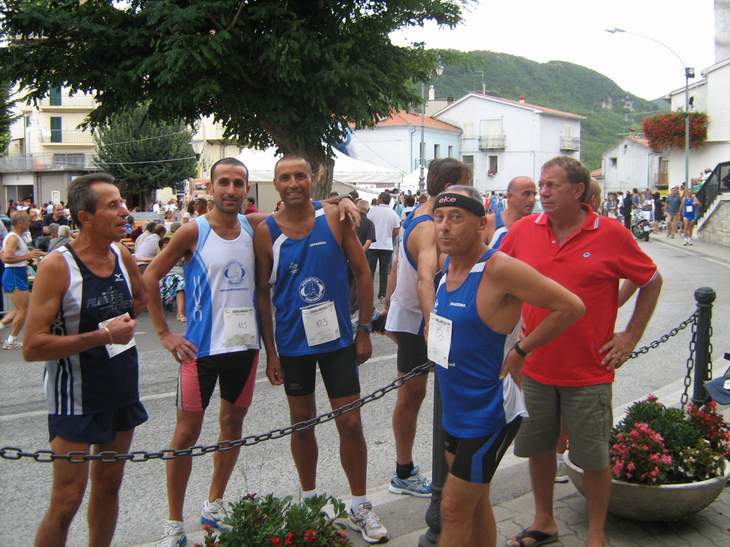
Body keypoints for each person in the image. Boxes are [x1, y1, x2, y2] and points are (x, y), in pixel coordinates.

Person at [502, 156, 662, 547]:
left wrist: (629, 335)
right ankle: (544, 521)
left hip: (589, 369)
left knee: (592, 456)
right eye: (541, 184)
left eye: (552, 185)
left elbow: (651, 279)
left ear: (578, 191)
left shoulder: (610, 233)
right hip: (535, 368)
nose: (543, 192)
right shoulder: (523, 231)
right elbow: (497, 277)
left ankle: (594, 535)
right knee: (538, 449)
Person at [429, 186, 584, 547]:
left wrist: (521, 349)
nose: (444, 227)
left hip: (490, 410)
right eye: (439, 218)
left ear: (481, 223)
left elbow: (570, 306)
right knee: (477, 500)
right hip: (456, 410)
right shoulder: (448, 268)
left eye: (456, 217)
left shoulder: (499, 268)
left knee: (452, 509)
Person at [254, 154, 389, 544]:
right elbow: (263, 295)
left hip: (337, 341)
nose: (293, 183)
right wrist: (271, 352)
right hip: (294, 345)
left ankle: (360, 503)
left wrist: (363, 329)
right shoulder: (266, 232)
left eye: (300, 175)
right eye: (285, 177)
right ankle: (310, 501)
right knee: (303, 424)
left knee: (350, 422)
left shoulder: (333, 218)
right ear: (276, 184)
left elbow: (364, 272)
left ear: (312, 179)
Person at [22, 173, 147, 547]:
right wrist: (102, 336)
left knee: (109, 488)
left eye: (122, 202)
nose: (124, 210)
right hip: (75, 396)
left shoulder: (122, 254)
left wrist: (122, 324)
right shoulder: (58, 266)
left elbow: (140, 296)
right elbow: (32, 346)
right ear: (85, 216)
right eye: (113, 205)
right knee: (67, 500)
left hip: (121, 386)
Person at [145, 158, 264, 547]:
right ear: (211, 188)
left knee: (232, 427)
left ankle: (214, 506)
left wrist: (341, 205)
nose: (231, 190)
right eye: (224, 182)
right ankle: (173, 524)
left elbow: (305, 208)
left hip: (244, 349)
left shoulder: (253, 226)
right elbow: (150, 276)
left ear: (246, 189)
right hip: (199, 351)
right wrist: (164, 334)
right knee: (185, 435)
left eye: (238, 183)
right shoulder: (193, 230)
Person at [382, 158, 470, 499]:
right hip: (420, 321)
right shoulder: (427, 227)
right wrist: (432, 324)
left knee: (421, 395)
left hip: (413, 317)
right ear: (449, 187)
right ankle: (405, 472)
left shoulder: (423, 215)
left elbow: (394, 266)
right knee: (413, 396)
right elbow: (425, 276)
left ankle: (439, 470)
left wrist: (389, 305)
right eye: (464, 185)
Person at [1, 211, 45, 349]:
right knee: (23, 311)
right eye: (27, 220)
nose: (29, 223)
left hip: (18, 273)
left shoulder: (19, 237)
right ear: (19, 222)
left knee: (23, 308)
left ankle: (6, 332)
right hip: (13, 274)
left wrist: (41, 254)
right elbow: (6, 258)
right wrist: (27, 256)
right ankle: (11, 341)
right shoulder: (13, 238)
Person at [483, 176, 537, 249]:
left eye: (534, 194)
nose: (532, 199)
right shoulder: (489, 223)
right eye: (526, 194)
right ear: (510, 196)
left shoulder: (537, 229)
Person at [366, 192, 400, 300]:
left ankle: (368, 292)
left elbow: (367, 224)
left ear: (380, 199)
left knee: (369, 271)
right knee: (384, 272)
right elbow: (396, 231)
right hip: (387, 245)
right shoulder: (393, 213)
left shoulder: (372, 210)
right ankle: (382, 294)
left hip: (372, 245)